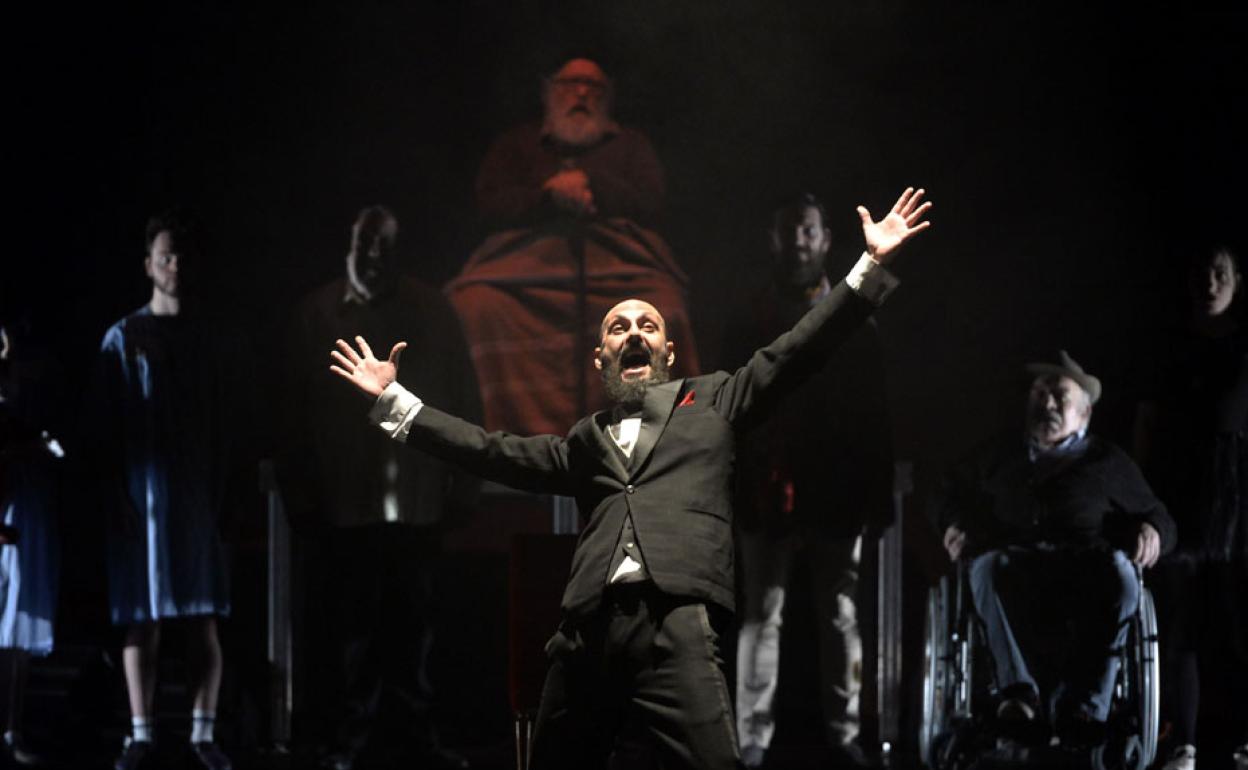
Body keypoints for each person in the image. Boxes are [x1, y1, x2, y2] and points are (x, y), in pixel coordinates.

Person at [330, 187, 932, 769]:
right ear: (601, 360)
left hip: (680, 623)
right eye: (618, 329)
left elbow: (797, 351)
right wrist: (396, 402)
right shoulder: (585, 441)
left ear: (668, 354)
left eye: (648, 326)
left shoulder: (715, 401)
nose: (635, 334)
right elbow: (493, 451)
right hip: (588, 629)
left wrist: (868, 267)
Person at [280, 206, 480, 770]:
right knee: (350, 633)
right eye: (365, 244)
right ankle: (350, 740)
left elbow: (463, 397)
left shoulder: (433, 312)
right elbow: (293, 416)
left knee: (416, 632)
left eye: (385, 246)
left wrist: (462, 485)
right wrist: (302, 495)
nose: (373, 257)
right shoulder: (317, 315)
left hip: (416, 503)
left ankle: (413, 739)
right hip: (344, 505)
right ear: (348, 244)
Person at [447, 56, 700, 436]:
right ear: (548, 93)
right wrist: (549, 193)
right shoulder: (516, 145)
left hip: (618, 266)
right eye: (569, 85)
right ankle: (501, 443)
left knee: (664, 306)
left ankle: (650, 438)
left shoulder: (630, 145)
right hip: (524, 271)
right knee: (473, 305)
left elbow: (653, 201)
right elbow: (489, 205)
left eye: (593, 87)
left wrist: (589, 183)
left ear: (609, 98)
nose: (581, 93)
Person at [935, 351, 1176, 749]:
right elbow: (946, 493)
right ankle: (1018, 695)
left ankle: (1087, 707)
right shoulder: (999, 454)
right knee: (986, 568)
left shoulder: (1106, 461)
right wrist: (953, 524)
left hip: (1084, 565)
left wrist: (1153, 531)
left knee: (1121, 575)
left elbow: (1159, 516)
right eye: (1039, 395)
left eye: (1059, 397)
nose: (1047, 404)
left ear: (1084, 414)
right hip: (1018, 563)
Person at [726, 194, 893, 767]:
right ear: (773, 240)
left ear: (825, 240)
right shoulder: (747, 317)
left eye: (808, 230)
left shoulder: (856, 321)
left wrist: (878, 491)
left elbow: (876, 413)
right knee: (760, 612)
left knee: (839, 610)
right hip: (763, 486)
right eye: (788, 229)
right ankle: (750, 743)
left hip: (834, 487)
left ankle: (845, 736)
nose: (798, 240)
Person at [92, 210, 251, 770]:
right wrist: (117, 497)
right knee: (144, 614)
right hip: (145, 499)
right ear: (148, 265)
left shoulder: (210, 337)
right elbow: (106, 430)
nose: (175, 265)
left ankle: (202, 734)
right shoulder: (123, 337)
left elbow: (228, 424)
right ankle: (140, 732)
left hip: (197, 496)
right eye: (165, 256)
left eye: (181, 255)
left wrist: (227, 495)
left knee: (203, 616)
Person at [1135, 245, 1248, 770]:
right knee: (1182, 619)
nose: (1210, 282)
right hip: (1181, 491)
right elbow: (1148, 425)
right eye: (1202, 272)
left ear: (1237, 281)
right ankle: (1185, 741)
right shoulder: (1170, 349)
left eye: (1220, 273)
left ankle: (1242, 738)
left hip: (1238, 497)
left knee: (1237, 618)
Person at [0, 319, 63, 767]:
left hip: (22, 516)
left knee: (16, 629)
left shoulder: (26, 402)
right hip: (6, 513)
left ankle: (10, 728)